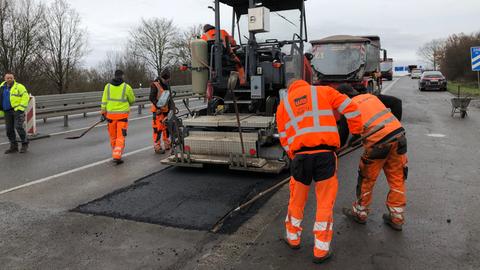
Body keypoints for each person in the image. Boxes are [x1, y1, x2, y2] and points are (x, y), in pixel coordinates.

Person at [276, 79, 363, 263]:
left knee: (296, 200)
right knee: (324, 202)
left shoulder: (283, 105)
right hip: (325, 155)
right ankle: (321, 250)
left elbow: (284, 137)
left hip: (300, 157)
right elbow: (352, 108)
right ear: (306, 85)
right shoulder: (324, 91)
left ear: (291, 89)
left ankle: (293, 238)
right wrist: (356, 132)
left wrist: (295, 156)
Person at [337, 83, 408, 231]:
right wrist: (394, 126)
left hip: (378, 144)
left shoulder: (349, 107)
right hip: (398, 137)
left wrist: (335, 151)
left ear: (343, 97)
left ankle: (360, 213)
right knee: (397, 177)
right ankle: (397, 217)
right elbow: (397, 102)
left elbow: (342, 137)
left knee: (366, 179)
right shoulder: (371, 97)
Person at [101, 70, 135, 164]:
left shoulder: (107, 87)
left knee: (113, 136)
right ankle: (117, 155)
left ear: (114, 76)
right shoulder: (126, 87)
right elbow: (132, 100)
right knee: (120, 136)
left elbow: (104, 101)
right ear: (122, 76)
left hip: (110, 117)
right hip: (122, 117)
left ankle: (115, 152)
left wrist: (103, 113)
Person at [0, 72, 30, 154]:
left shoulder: (19, 86)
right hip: (6, 111)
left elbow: (25, 96)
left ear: (13, 78)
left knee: (18, 127)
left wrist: (20, 108)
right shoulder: (1, 87)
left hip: (17, 110)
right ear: (5, 79)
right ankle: (14, 146)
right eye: (7, 78)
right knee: (9, 130)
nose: (9, 79)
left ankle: (24, 144)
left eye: (11, 78)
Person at [150, 69, 172, 154]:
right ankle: (157, 146)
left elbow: (169, 97)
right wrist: (158, 107)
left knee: (166, 128)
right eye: (167, 79)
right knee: (157, 129)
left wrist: (170, 109)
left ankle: (167, 143)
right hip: (158, 112)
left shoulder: (166, 85)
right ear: (164, 78)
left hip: (165, 111)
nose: (168, 81)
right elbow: (152, 98)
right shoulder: (155, 84)